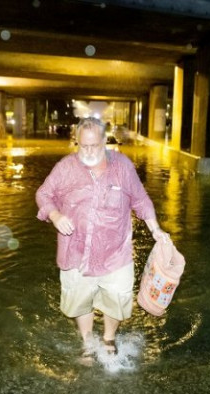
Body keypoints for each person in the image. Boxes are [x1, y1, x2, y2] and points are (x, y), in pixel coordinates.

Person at [36, 117, 167, 365]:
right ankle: (87, 342)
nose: (87, 152)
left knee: (116, 300)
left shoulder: (123, 167)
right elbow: (43, 194)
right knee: (80, 301)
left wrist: (155, 229)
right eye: (82, 146)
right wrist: (54, 215)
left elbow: (140, 199)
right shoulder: (65, 167)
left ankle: (108, 338)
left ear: (104, 141)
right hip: (75, 252)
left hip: (115, 253)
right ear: (76, 142)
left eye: (94, 146)